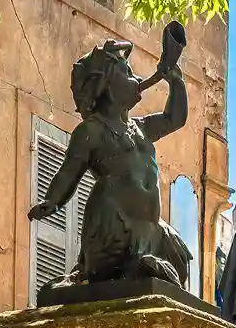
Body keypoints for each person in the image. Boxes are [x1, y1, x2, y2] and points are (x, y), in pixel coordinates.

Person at [27, 39, 192, 289]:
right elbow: (68, 172)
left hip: (148, 227)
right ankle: (117, 266)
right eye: (127, 73)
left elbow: (175, 118)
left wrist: (176, 81)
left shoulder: (142, 127)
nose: (136, 78)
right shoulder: (91, 131)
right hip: (114, 223)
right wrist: (52, 201)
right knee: (139, 269)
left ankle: (141, 263)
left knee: (179, 261)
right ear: (108, 87)